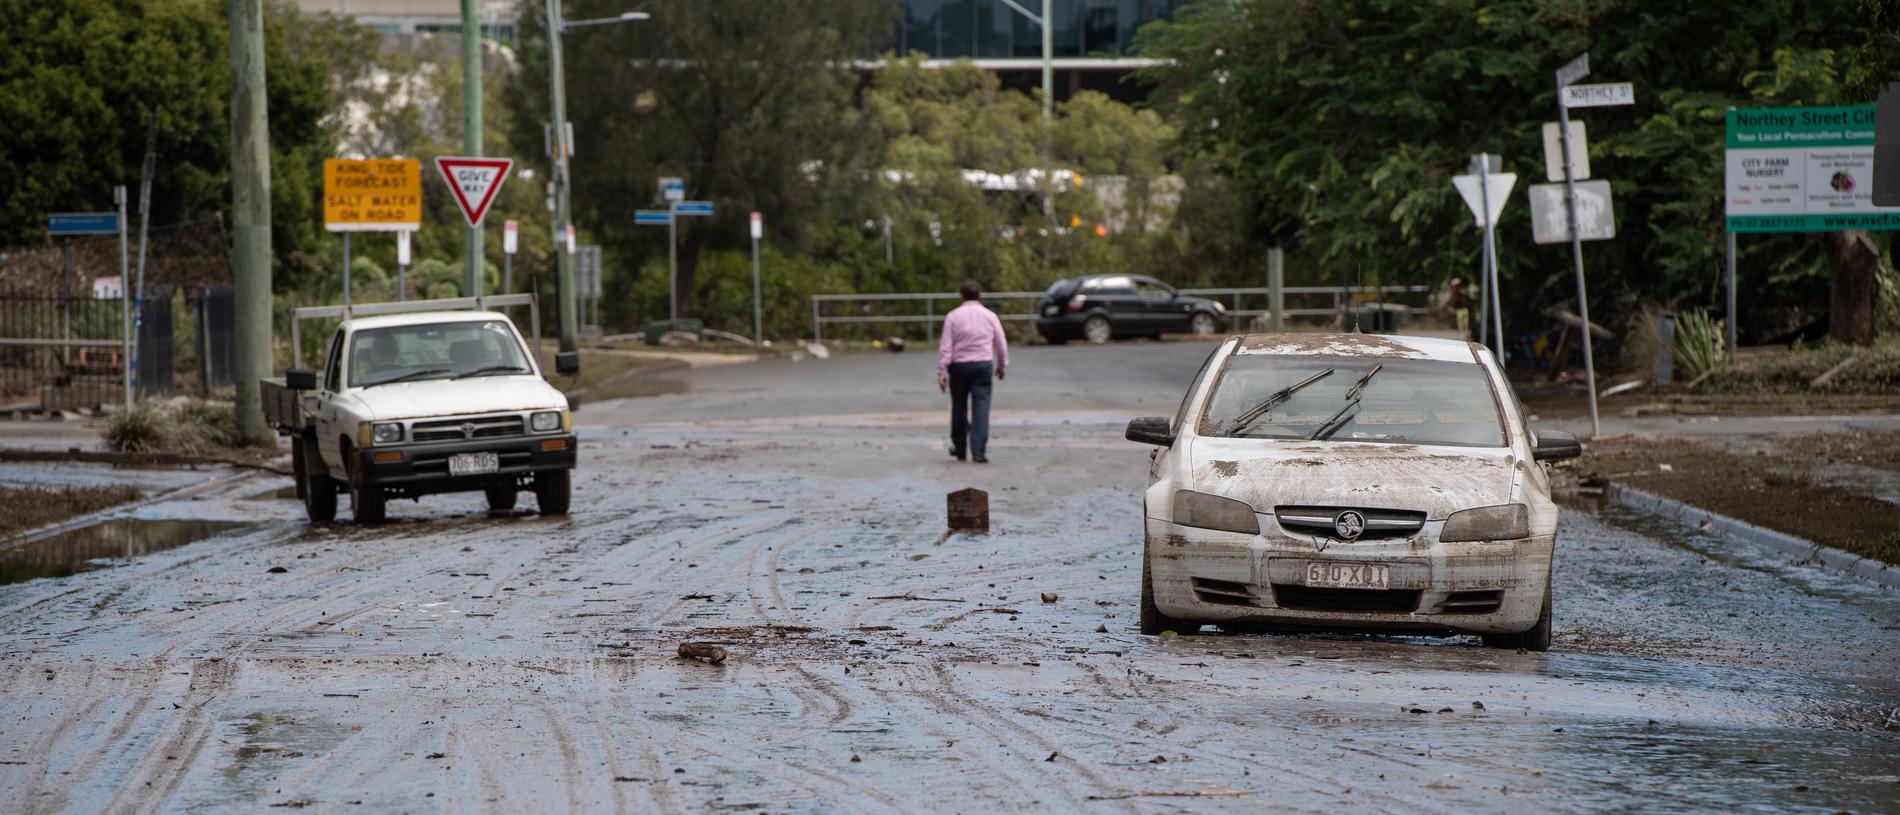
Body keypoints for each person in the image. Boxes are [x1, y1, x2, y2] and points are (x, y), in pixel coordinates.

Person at [937, 278, 1008, 463]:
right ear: (979, 295)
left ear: (962, 296)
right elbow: (1001, 343)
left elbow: (946, 346)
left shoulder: (953, 316)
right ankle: (979, 451)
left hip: (959, 367)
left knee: (959, 407)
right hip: (982, 366)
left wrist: (942, 371)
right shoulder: (990, 316)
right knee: (981, 407)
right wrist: (1002, 366)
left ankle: (960, 448)